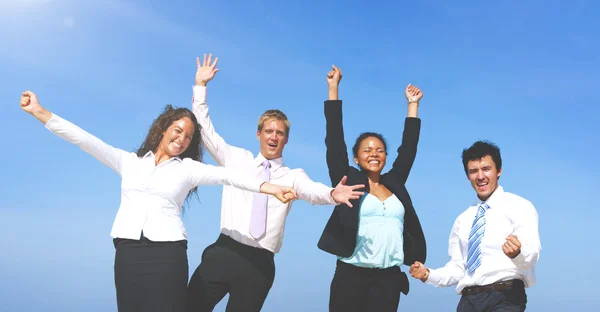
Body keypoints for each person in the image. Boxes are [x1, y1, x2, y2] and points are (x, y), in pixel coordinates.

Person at [19, 91, 298, 312]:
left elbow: (232, 177)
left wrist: (267, 187)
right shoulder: (128, 162)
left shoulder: (187, 169)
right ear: (164, 128)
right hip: (128, 251)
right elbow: (85, 140)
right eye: (178, 130)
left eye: (189, 136)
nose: (182, 139)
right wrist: (39, 112)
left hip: (168, 255)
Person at [185, 55, 366, 312]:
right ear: (258, 134)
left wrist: (332, 194)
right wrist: (200, 86)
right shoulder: (236, 158)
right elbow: (204, 130)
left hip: (259, 264)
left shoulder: (293, 175)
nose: (273, 137)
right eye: (269, 131)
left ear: (286, 140)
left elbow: (311, 190)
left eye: (279, 133)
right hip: (223, 252)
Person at [316, 65, 427, 312]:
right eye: (367, 150)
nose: (374, 154)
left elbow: (408, 150)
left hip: (388, 280)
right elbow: (334, 140)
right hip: (350, 276)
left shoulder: (395, 181)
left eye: (379, 150)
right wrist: (333, 89)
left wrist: (412, 105)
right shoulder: (348, 180)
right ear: (356, 158)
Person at [409, 140, 541, 312]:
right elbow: (457, 268)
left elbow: (532, 256)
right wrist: (428, 274)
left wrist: (517, 253)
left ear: (499, 171)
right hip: (468, 301)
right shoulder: (462, 220)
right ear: (467, 176)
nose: (480, 176)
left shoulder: (520, 206)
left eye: (486, 169)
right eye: (473, 171)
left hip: (506, 296)